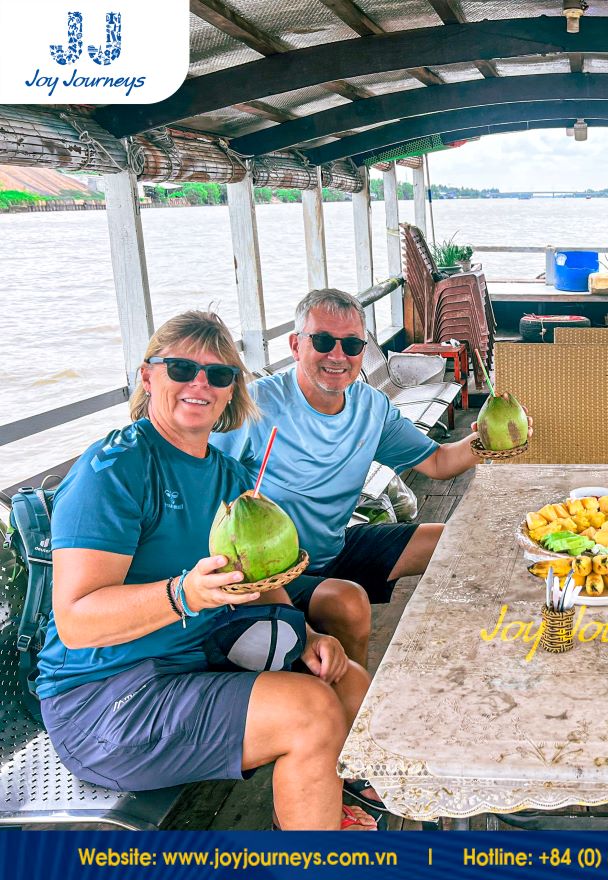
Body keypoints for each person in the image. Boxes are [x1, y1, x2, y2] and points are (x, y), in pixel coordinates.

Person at [37, 311, 377, 831]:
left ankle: (324, 801)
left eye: (219, 375)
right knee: (310, 709)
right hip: (104, 702)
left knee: (349, 682)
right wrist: (183, 594)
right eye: (181, 368)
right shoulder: (115, 470)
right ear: (148, 377)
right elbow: (78, 621)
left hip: (196, 662)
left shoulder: (229, 476)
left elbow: (261, 583)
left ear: (230, 392)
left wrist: (306, 635)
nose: (201, 384)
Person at [211, 287, 530, 664]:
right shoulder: (254, 405)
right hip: (270, 571)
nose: (337, 355)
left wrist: (489, 439)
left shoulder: (370, 406)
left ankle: (480, 648)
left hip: (334, 546)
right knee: (348, 602)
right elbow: (206, 496)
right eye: (324, 340)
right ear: (296, 345)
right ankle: (354, 694)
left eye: (351, 344)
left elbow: (439, 463)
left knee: (455, 540)